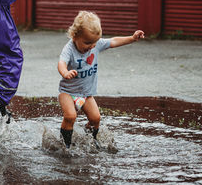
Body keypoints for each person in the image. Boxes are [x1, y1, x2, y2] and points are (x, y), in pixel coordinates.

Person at [57, 11, 145, 148]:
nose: (92, 46)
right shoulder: (69, 48)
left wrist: (132, 38)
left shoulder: (95, 44)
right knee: (70, 116)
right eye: (87, 43)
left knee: (95, 119)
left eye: (94, 42)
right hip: (68, 92)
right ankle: (65, 145)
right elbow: (61, 62)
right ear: (75, 36)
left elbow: (114, 41)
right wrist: (65, 72)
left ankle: (89, 139)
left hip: (86, 94)